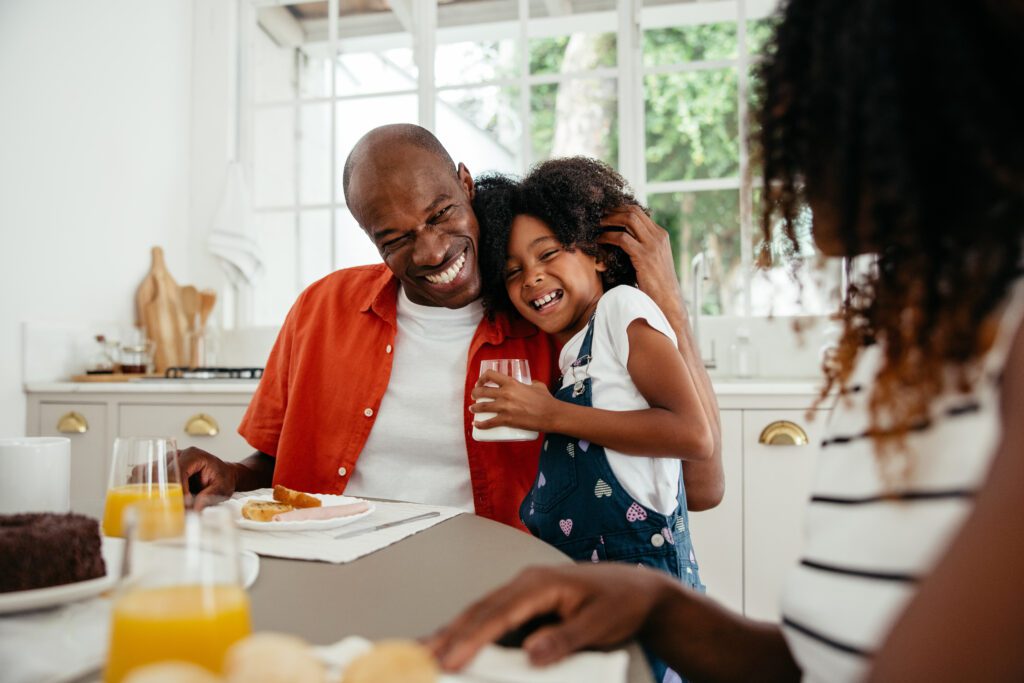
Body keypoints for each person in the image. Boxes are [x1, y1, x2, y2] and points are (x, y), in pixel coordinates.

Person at [429, 0, 1024, 679]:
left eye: (825, 95)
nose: (787, 137)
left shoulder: (1007, 332)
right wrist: (658, 606)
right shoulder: (900, 346)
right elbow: (819, 658)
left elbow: (697, 452)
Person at [177, 124, 725, 530]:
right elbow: (274, 466)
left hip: (491, 577)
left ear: (464, 182)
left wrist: (666, 303)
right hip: (329, 558)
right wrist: (226, 473)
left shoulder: (549, 320)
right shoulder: (321, 308)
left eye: (440, 214)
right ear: (370, 238)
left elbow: (701, 488)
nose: (432, 251)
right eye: (394, 238)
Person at [469, 158, 714, 681]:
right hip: (596, 613)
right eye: (512, 272)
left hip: (650, 616)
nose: (531, 276)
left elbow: (693, 435)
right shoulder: (571, 360)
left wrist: (551, 413)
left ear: (600, 255)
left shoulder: (622, 308)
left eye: (549, 253)